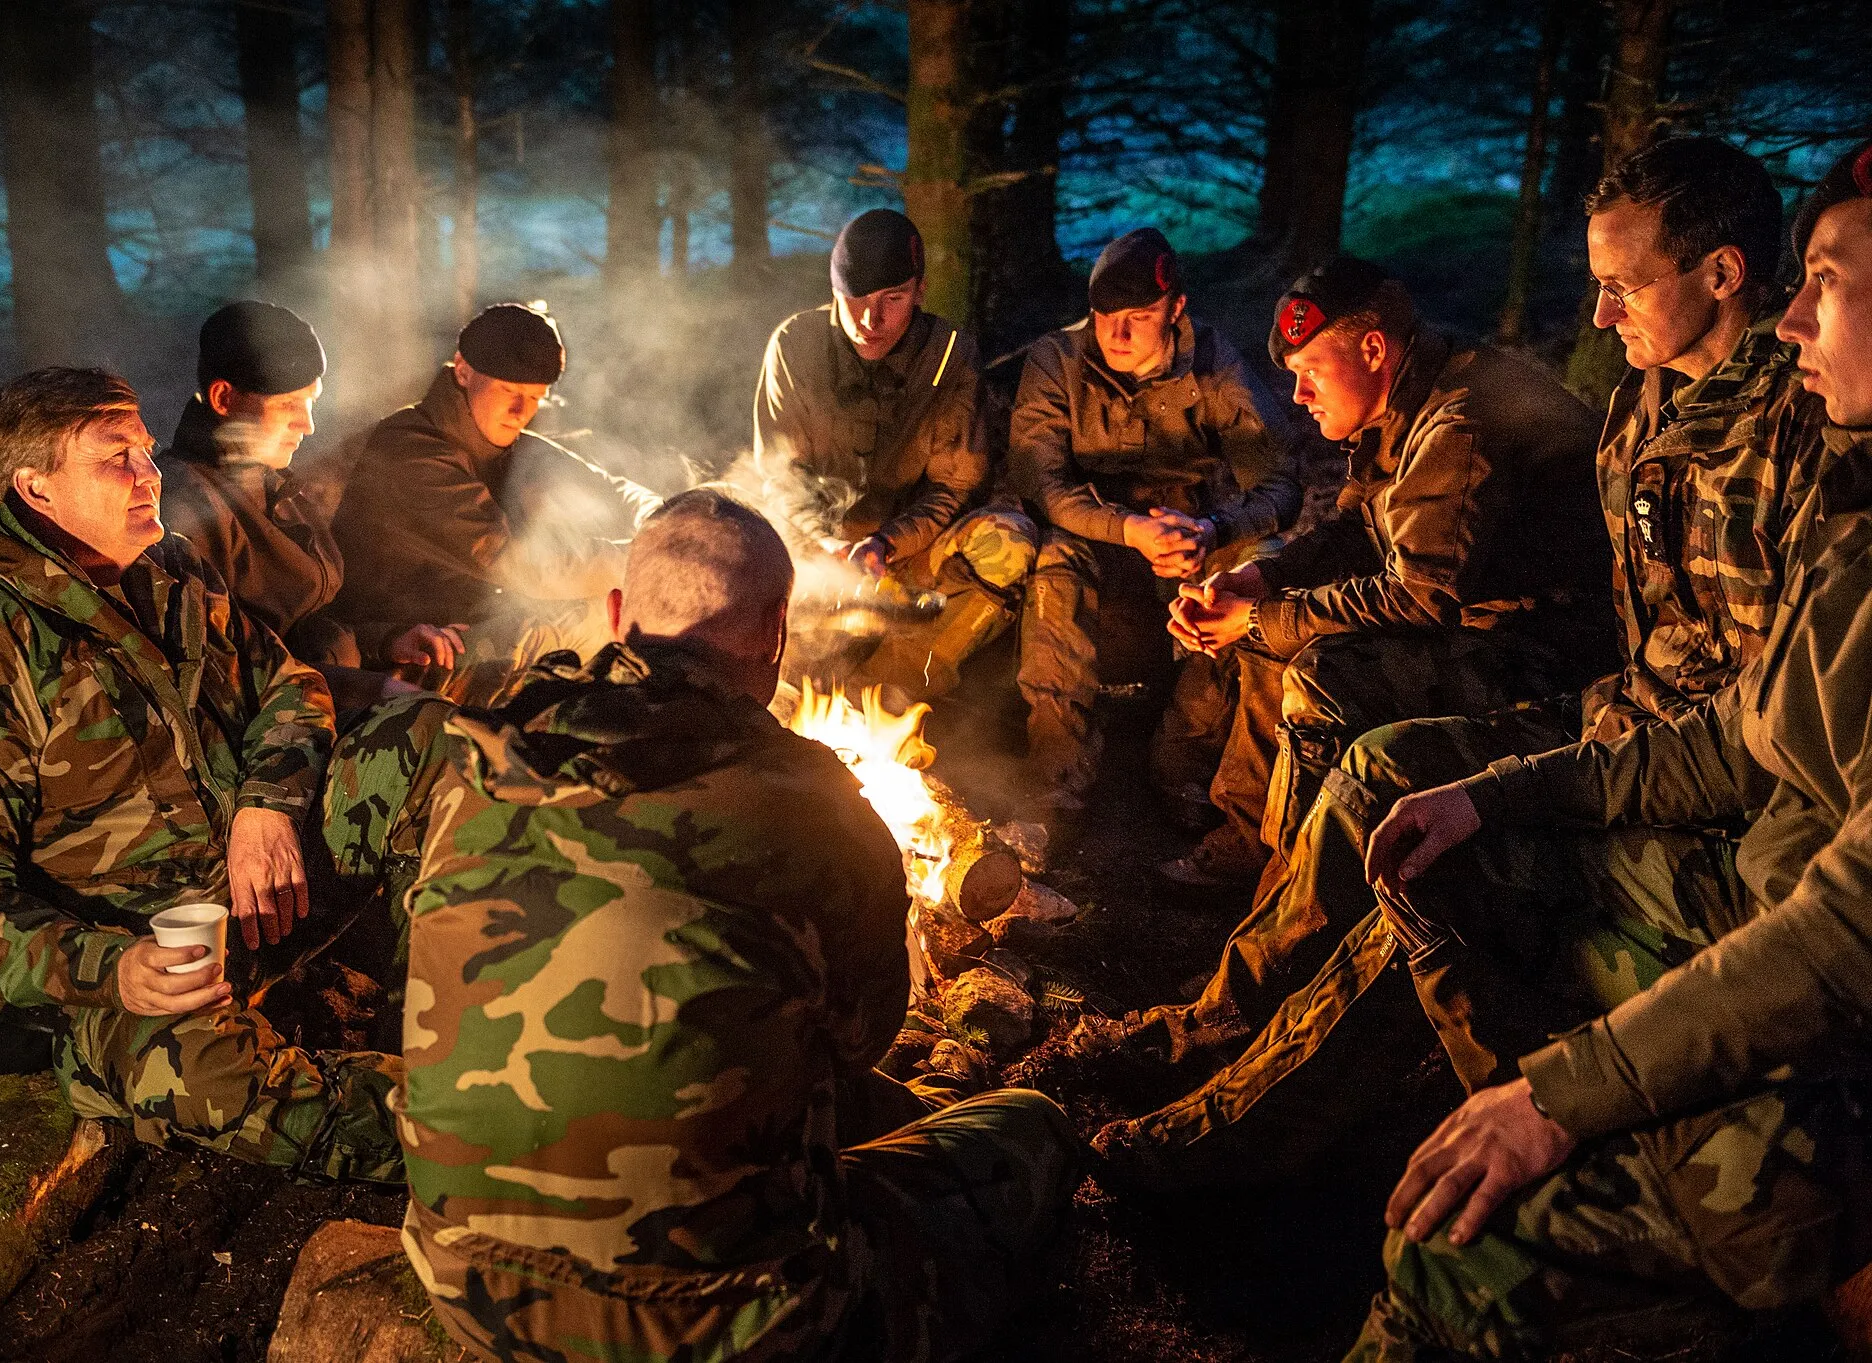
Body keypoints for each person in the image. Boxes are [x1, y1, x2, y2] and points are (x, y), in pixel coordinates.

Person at [1088, 135, 1832, 1193]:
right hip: (1619, 712)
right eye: (1596, 286)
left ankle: (1233, 1133)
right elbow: (1358, 533)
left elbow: (1758, 714)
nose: (1600, 316)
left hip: (1667, 756)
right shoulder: (1642, 402)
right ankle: (1229, 1010)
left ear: (1720, 275)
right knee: (1381, 773)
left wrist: (1277, 620)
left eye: (1622, 287)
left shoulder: (1801, 429)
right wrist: (1263, 589)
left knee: (1426, 836)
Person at [1343, 137, 1872, 1363]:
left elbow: (1847, 925)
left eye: (1831, 280)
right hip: (1728, 849)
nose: (1795, 317)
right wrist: (1496, 793)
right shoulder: (1843, 500)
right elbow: (1742, 735)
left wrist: (1561, 1098)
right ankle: (1318, 1106)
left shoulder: (1806, 455)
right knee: (1430, 836)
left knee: (1452, 1256)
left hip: (1802, 964)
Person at [344, 489, 1081, 1363]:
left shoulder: (475, 764)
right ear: (775, 631)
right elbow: (862, 1038)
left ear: (617, 616)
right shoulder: (814, 805)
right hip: (728, 1329)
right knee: (1032, 1129)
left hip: (468, 1286)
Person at [0, 367, 403, 1180]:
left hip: (259, 888)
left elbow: (290, 685)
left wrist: (265, 806)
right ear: (36, 489)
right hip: (133, 968)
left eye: (145, 448)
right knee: (209, 1084)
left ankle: (514, 974)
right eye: (113, 457)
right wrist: (110, 967)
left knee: (417, 742)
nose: (148, 472)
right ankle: (492, 1129)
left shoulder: (171, 570)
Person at [1162, 257, 1612, 887]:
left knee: (1319, 668)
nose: (1298, 395)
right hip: (1478, 616)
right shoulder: (1406, 403)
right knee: (1273, 623)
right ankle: (1251, 838)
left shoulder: (1459, 422)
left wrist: (1265, 616)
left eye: (1311, 371)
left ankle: (1296, 893)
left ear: (1373, 349)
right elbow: (1358, 533)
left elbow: (1424, 596)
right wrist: (1263, 581)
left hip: (1546, 651)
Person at [1010, 226, 1302, 821]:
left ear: (1175, 309)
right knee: (1055, 566)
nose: (1117, 333)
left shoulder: (1215, 366)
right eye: (1103, 314)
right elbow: (1043, 485)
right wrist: (1126, 529)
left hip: (1192, 531)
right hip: (1094, 531)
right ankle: (1058, 773)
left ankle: (1185, 768)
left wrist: (1213, 532)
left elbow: (1280, 483)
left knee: (1244, 572)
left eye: (1139, 316)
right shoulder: (1056, 361)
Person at [753, 208, 1037, 699]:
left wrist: (886, 543)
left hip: (911, 552)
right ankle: (781, 685)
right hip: (812, 557)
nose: (871, 320)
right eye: (855, 299)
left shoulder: (949, 352)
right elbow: (780, 476)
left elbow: (955, 483)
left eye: (893, 299)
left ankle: (893, 686)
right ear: (834, 293)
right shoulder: (795, 345)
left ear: (919, 292)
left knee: (1011, 541)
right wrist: (825, 543)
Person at [158, 301, 463, 711]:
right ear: (224, 397)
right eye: (288, 405)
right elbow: (230, 674)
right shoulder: (185, 507)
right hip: (287, 732)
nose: (307, 425)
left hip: (339, 691)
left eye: (311, 402)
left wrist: (387, 641)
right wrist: (368, 691)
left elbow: (317, 623)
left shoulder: (282, 491)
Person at [329, 303, 631, 691]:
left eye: (537, 397)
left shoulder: (500, 441)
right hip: (405, 655)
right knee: (597, 617)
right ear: (463, 370)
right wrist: (647, 559)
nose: (522, 411)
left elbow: (611, 488)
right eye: (508, 390)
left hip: (468, 630)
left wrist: (667, 522)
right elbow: (520, 564)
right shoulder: (410, 450)